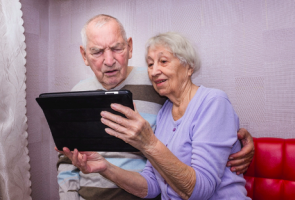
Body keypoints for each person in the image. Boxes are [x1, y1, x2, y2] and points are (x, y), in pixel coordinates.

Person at [57, 14, 254, 200]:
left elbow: (202, 181)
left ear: (189, 66)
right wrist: (105, 167)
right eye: (150, 64)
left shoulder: (201, 99)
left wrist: (147, 142)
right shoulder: (166, 111)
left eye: (163, 61)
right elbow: (152, 184)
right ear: (85, 55)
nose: (154, 71)